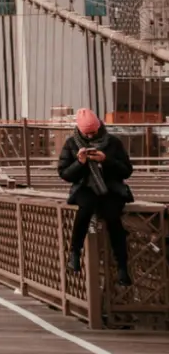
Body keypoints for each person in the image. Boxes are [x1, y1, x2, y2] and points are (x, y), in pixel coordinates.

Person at [58, 108, 133, 285]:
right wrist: (80, 163)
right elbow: (65, 174)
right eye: (87, 133)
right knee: (85, 209)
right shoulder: (71, 144)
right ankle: (75, 253)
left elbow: (126, 170)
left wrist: (105, 160)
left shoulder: (113, 143)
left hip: (111, 189)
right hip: (84, 188)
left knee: (114, 218)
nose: (91, 136)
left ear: (99, 127)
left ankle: (122, 266)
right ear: (80, 130)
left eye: (94, 132)